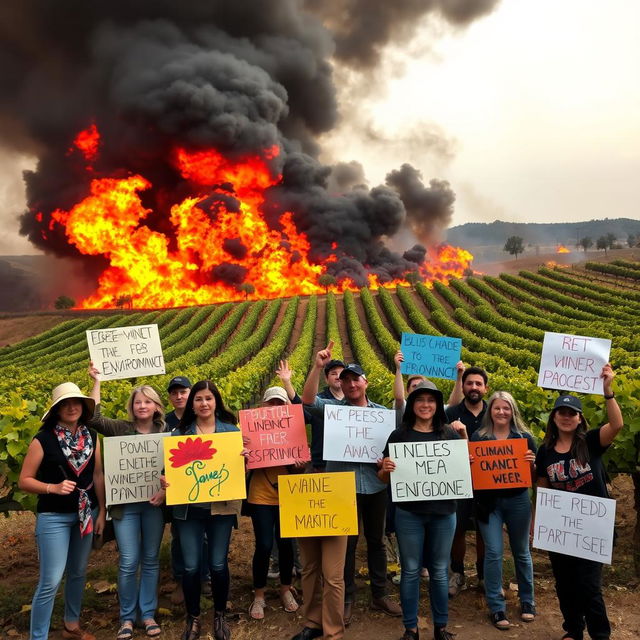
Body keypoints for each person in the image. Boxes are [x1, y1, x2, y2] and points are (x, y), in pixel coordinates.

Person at [302, 342, 401, 628]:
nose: (350, 384)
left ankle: (379, 594)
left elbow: (388, 448)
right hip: (341, 487)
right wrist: (318, 367)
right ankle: (345, 599)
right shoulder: (332, 410)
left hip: (374, 486)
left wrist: (385, 462)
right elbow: (307, 400)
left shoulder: (380, 414)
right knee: (344, 544)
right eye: (345, 380)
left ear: (365, 382)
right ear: (340, 385)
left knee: (376, 541)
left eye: (355, 379)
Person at [535, 364, 622, 640]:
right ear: (554, 417)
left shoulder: (591, 442)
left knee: (589, 586)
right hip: (560, 530)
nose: (566, 417)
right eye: (561, 412)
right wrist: (536, 522)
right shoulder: (545, 451)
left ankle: (600, 633)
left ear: (579, 418)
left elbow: (617, 424)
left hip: (591, 529)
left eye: (571, 413)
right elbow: (543, 488)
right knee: (564, 584)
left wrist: (608, 392)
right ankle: (573, 629)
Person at [379, 381, 467, 640]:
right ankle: (411, 628)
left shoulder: (449, 434)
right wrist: (385, 469)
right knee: (410, 570)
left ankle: (441, 627)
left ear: (438, 405)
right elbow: (384, 478)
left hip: (443, 514)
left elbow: (462, 472)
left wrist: (465, 445)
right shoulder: (399, 436)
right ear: (412, 404)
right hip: (409, 514)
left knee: (440, 571)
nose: (425, 405)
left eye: (431, 400)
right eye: (420, 400)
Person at [19, 382, 106, 640]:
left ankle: (71, 624)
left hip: (85, 515)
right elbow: (24, 480)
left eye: (76, 402)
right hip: (53, 518)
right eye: (65, 404)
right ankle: (39, 636)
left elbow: (98, 475)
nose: (71, 407)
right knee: (51, 580)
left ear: (82, 406)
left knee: (78, 572)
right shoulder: (42, 439)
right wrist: (52, 488)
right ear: (56, 409)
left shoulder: (91, 436)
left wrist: (101, 512)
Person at [88, 364, 167, 639]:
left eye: (147, 401)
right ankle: (127, 618)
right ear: (131, 407)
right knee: (128, 561)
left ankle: (147, 614)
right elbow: (94, 419)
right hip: (125, 507)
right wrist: (97, 381)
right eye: (137, 402)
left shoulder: (166, 432)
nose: (142, 406)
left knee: (151, 559)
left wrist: (167, 492)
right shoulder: (120, 429)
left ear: (156, 406)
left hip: (154, 506)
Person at [167, 380, 248, 640]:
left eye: (208, 399)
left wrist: (244, 463)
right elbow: (169, 471)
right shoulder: (179, 434)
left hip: (221, 509)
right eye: (199, 399)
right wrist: (165, 479)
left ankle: (220, 614)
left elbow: (239, 476)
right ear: (192, 404)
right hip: (188, 510)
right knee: (190, 567)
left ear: (216, 402)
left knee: (217, 564)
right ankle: (193, 618)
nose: (203, 403)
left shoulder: (230, 434)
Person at [470, 391, 536, 629]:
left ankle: (527, 600)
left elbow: (535, 477)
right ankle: (497, 607)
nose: (501, 412)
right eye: (497, 408)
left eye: (506, 408)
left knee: (521, 552)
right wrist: (470, 465)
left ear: (512, 411)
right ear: (491, 411)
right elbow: (473, 477)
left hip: (518, 501)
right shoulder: (479, 438)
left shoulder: (525, 438)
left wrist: (532, 463)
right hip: (489, 504)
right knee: (494, 552)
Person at [247, 383, 302, 620]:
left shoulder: (295, 429)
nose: (276, 407)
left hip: (287, 494)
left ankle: (285, 588)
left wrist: (300, 465)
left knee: (286, 543)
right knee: (264, 545)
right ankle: (259, 595)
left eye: (280, 403)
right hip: (260, 494)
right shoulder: (250, 430)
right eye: (272, 403)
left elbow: (301, 463)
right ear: (263, 406)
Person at [164, 376, 209, 606]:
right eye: (175, 393)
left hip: (206, 486)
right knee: (178, 536)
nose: (179, 396)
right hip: (179, 491)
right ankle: (182, 579)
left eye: (183, 392)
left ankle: (203, 576)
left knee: (205, 537)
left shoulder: (202, 418)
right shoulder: (164, 422)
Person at [445, 365, 489, 596]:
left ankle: (483, 575)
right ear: (463, 386)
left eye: (478, 384)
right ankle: (458, 573)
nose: (474, 387)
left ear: (485, 388)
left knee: (485, 528)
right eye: (469, 383)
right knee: (458, 528)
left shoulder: (494, 413)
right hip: (458, 481)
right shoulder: (451, 413)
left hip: (486, 481)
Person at [309, 358, 345, 472]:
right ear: (326, 379)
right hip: (322, 464)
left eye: (342, 374)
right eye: (333, 374)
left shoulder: (356, 401)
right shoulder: (319, 401)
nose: (338, 376)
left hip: (348, 463)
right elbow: (306, 403)